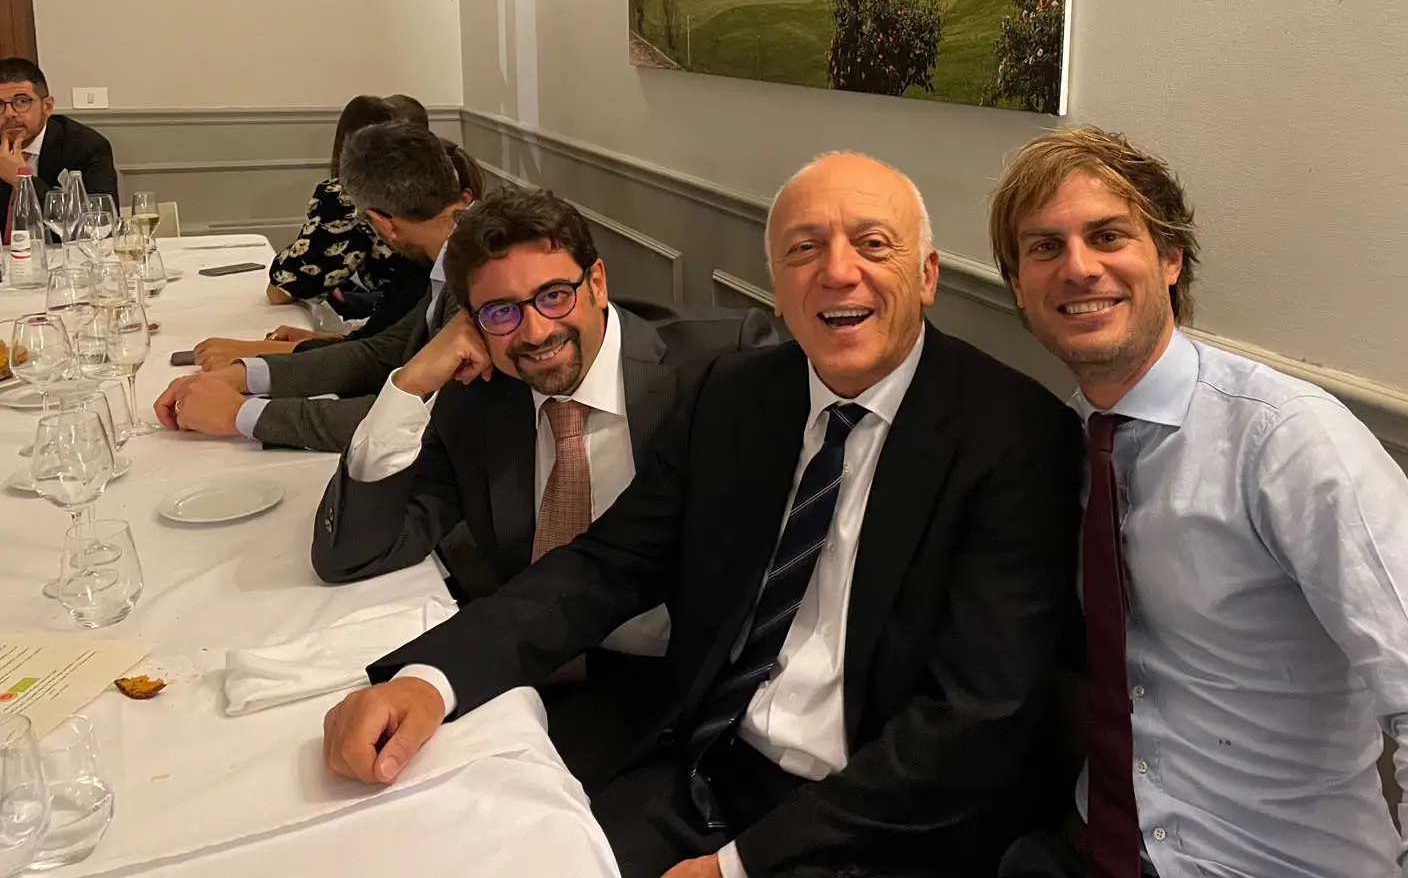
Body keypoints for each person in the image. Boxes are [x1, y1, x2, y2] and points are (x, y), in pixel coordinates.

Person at [322, 153, 1083, 878]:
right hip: (706, 761)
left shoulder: (1013, 433)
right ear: (775, 287)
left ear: (927, 276)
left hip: (881, 820)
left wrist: (741, 865)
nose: (837, 271)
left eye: (873, 244)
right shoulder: (736, 395)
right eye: (804, 249)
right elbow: (609, 563)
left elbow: (973, 717)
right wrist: (431, 679)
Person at [986, 127, 1408, 878]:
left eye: (1107, 236)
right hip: (1089, 843)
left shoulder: (1285, 441)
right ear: (1017, 287)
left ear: (1170, 258)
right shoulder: (1059, 444)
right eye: (1044, 247)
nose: (1078, 267)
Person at [313, 186, 775, 786]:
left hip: (693, 687)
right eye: (500, 312)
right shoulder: (477, 399)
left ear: (598, 284)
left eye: (555, 296)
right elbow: (353, 552)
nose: (534, 331)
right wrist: (409, 385)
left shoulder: (720, 362)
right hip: (529, 670)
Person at [155, 123, 473, 455]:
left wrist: (241, 414)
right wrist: (245, 374)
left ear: (383, 223)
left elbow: (425, 422)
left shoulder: (477, 271)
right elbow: (382, 352)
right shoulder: (456, 253)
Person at [260, 94, 429, 327]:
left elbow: (282, 289)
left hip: (408, 328)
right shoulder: (444, 181)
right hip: (434, 317)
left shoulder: (348, 199)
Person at [0, 57, 118, 217]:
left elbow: (100, 219)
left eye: (21, 101)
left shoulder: (86, 146)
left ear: (47, 106)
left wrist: (22, 180)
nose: (9, 113)